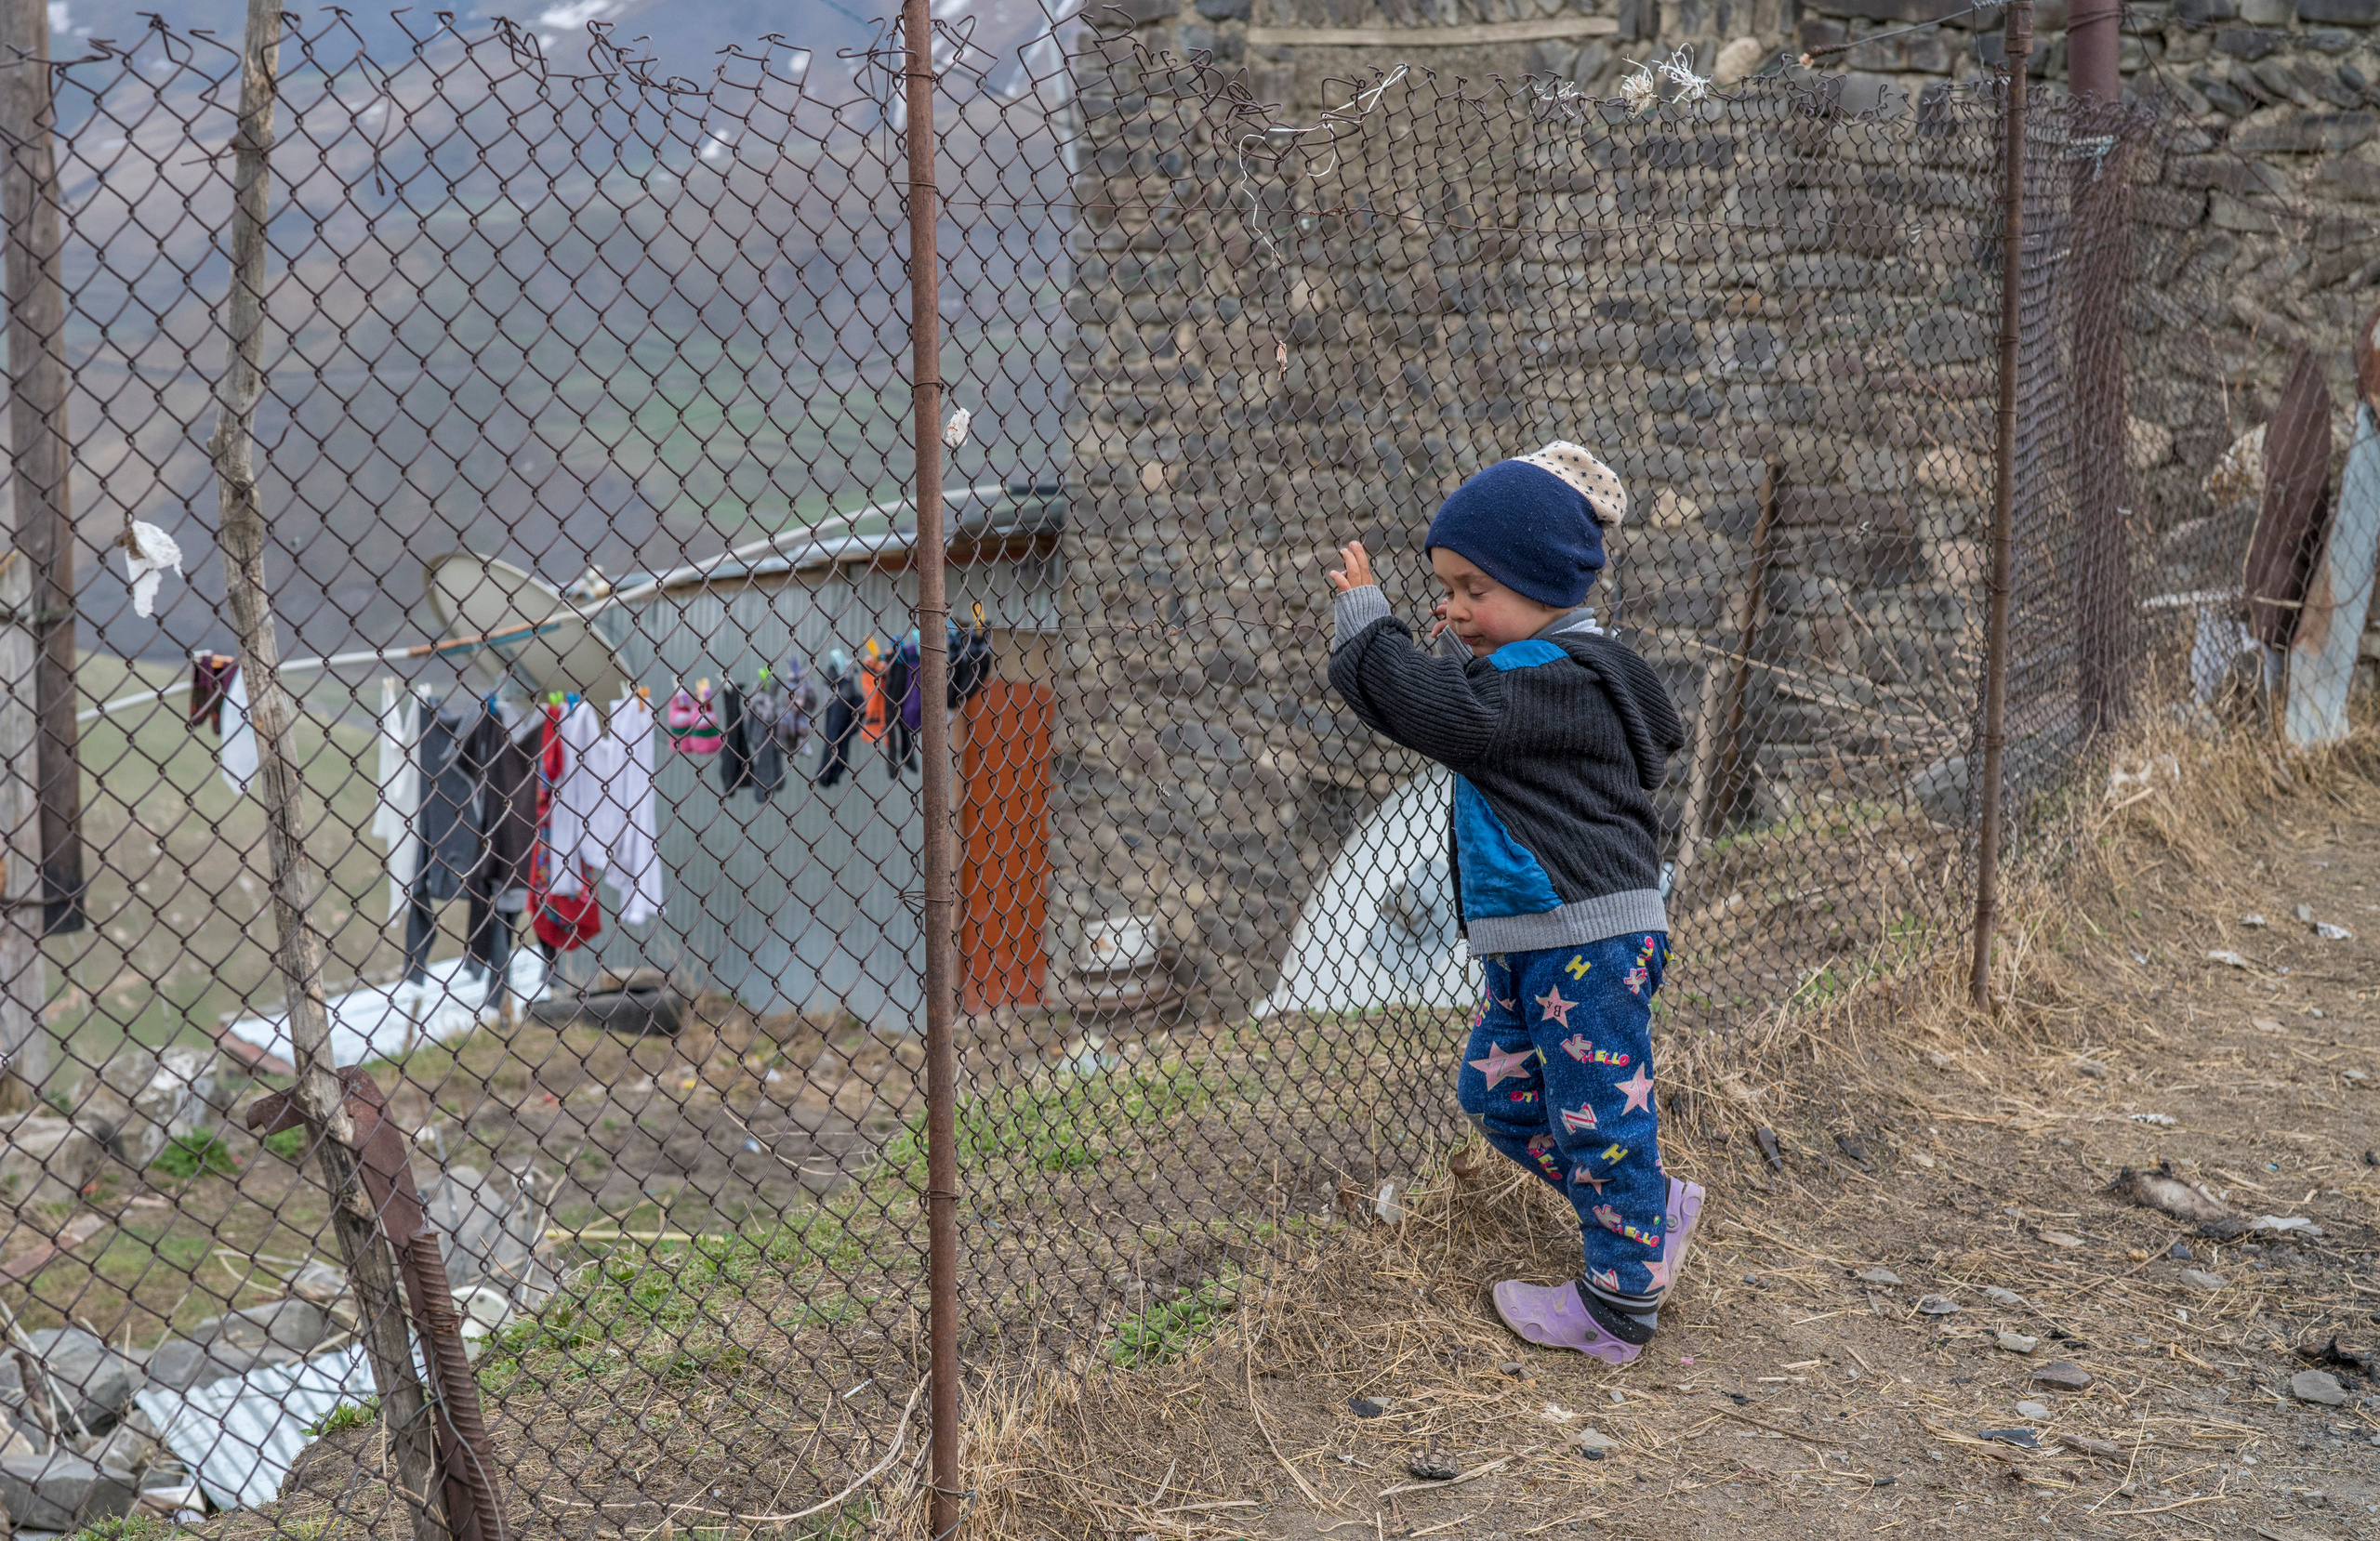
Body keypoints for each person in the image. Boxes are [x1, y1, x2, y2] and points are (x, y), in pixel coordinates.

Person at [1325, 441, 1700, 1365]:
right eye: (1440, 587)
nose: (1448, 608)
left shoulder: (1548, 674)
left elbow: (1435, 709)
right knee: (1493, 1090)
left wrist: (1367, 624)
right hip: (1548, 938)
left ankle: (1618, 1306)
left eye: (1470, 587)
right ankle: (1647, 1208)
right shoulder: (1533, 672)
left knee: (1592, 1117)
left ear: (1539, 585)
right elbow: (1444, 701)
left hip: (1587, 941)